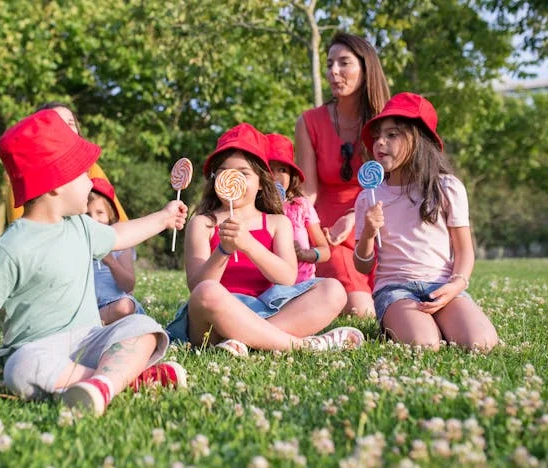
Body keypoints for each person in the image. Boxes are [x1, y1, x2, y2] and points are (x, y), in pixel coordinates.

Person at [0, 110, 189, 416]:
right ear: (54, 185)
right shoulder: (9, 249)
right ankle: (118, 380)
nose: (90, 182)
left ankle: (101, 384)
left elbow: (120, 235)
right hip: (39, 348)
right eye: (82, 175)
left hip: (90, 339)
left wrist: (163, 218)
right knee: (20, 368)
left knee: (143, 326)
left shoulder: (79, 226)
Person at [166, 123, 363, 357]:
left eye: (243, 173)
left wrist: (248, 244)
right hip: (214, 319)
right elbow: (196, 286)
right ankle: (298, 345)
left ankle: (245, 341)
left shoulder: (277, 222)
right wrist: (224, 250)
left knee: (334, 289)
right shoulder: (203, 222)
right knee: (206, 292)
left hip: (269, 309)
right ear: (215, 179)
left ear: (261, 182)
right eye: (224, 171)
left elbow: (287, 278)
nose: (232, 178)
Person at [354, 92, 498, 351]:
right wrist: (367, 233)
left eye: (392, 134)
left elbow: (464, 250)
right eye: (377, 136)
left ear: (419, 139)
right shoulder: (368, 198)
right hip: (395, 289)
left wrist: (456, 285)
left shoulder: (447, 188)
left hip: (442, 284)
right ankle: (407, 321)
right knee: (424, 344)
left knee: (481, 342)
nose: (380, 142)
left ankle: (437, 320)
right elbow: (363, 267)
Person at [295, 32, 391, 318]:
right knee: (361, 311)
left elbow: (396, 185)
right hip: (330, 233)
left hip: (380, 223)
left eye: (344, 63)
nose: (334, 72)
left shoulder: (387, 119)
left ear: (366, 68)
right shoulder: (309, 121)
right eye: (329, 64)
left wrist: (356, 216)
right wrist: (298, 227)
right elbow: (308, 191)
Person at [5, 102, 129, 223]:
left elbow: (118, 219)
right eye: (59, 124)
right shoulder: (26, 175)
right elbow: (22, 226)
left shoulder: (92, 168)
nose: (66, 129)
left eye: (71, 123)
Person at [267, 133, 330, 283]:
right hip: (268, 288)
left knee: (332, 288)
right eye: (270, 169)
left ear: (292, 176)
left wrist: (303, 254)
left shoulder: (302, 206)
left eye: (282, 170)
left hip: (303, 285)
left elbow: (325, 251)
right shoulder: (255, 208)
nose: (275, 176)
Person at [87, 177, 145, 324]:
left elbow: (128, 285)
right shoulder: (78, 244)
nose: (93, 220)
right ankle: (95, 325)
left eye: (100, 212)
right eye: (87, 215)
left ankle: (93, 326)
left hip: (115, 303)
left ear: (110, 214)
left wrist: (111, 262)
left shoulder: (120, 244)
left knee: (124, 306)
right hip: (88, 308)